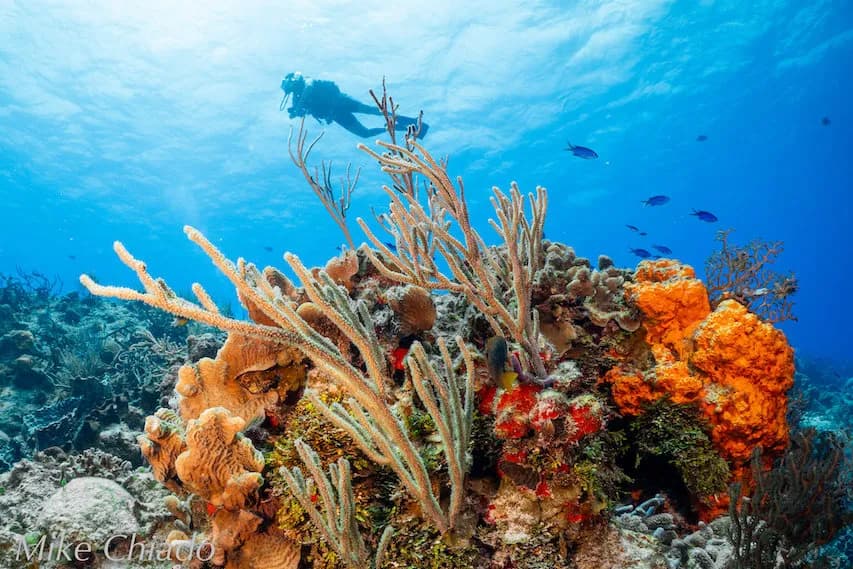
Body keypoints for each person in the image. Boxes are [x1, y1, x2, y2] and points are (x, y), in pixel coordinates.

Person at [280, 72, 428, 139]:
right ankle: (398, 127)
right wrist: (295, 112)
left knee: (371, 110)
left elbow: (309, 87)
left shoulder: (306, 80)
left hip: (340, 101)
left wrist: (298, 107)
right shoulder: (296, 98)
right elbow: (302, 112)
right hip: (336, 114)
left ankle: (412, 121)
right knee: (364, 134)